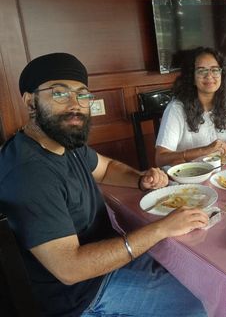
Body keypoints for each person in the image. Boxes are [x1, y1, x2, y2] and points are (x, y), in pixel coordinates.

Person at [0, 53, 209, 317]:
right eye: (60, 94)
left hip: (109, 259)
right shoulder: (28, 172)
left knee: (197, 272)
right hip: (83, 295)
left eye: (82, 95)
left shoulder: (63, 141)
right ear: (30, 101)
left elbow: (107, 167)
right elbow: (70, 268)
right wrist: (161, 229)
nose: (75, 105)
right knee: (200, 304)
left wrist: (139, 179)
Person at [155, 47, 226, 167]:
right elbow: (160, 158)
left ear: (222, 75)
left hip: (220, 171)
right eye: (201, 71)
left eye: (215, 70)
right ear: (192, 77)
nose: (209, 76)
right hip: (187, 176)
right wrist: (203, 151)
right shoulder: (176, 108)